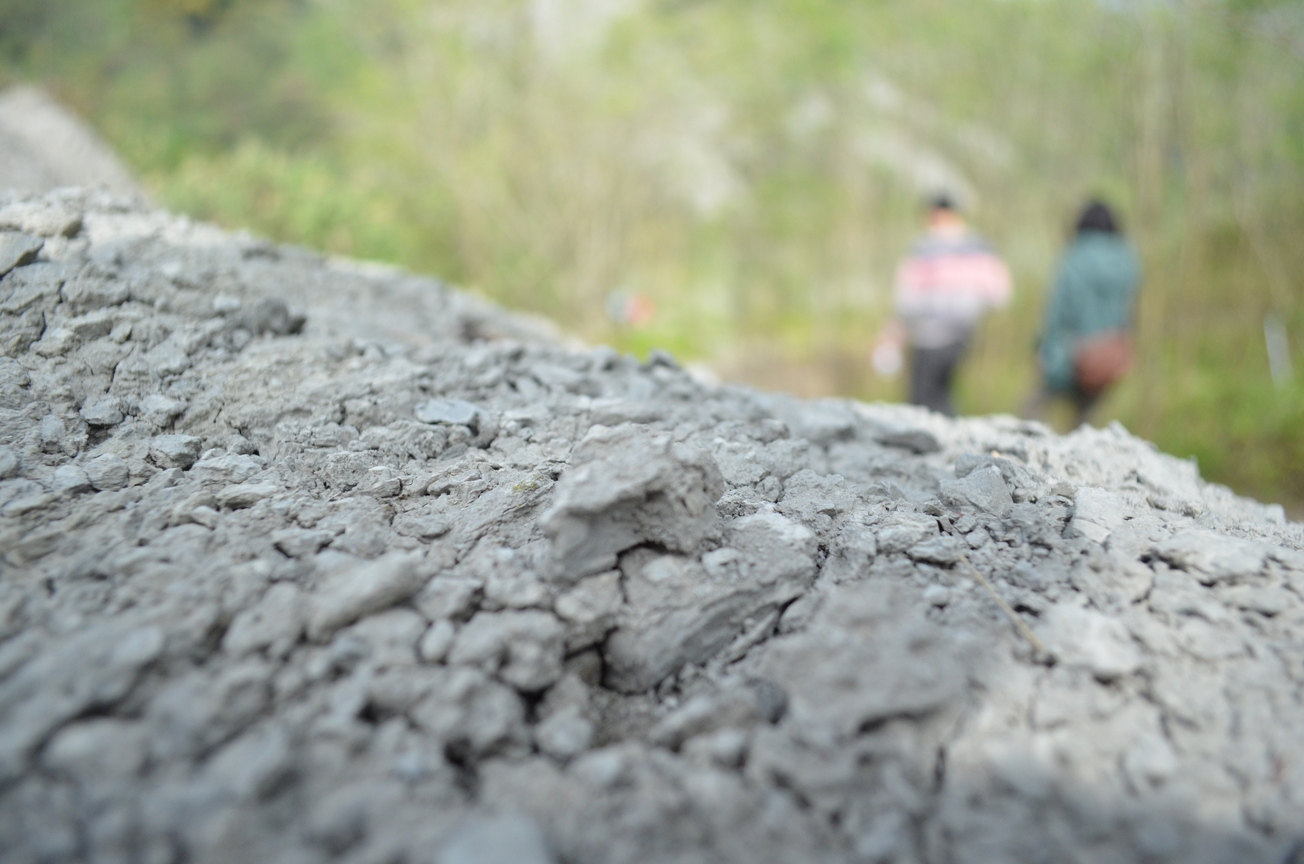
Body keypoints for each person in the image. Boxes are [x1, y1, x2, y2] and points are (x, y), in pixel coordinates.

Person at [878, 194, 1012, 416]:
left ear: (937, 214)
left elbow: (907, 297)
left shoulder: (926, 247)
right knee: (942, 391)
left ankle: (928, 442)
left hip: (930, 333)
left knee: (921, 395)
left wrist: (893, 332)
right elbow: (999, 293)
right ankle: (949, 437)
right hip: (963, 332)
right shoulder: (979, 246)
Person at [1026, 200, 1140, 427]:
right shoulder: (1128, 261)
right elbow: (1128, 313)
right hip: (1108, 357)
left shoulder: (1075, 257)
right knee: (1084, 422)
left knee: (1032, 409)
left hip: (1071, 354)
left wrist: (1042, 345)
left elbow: (1057, 310)